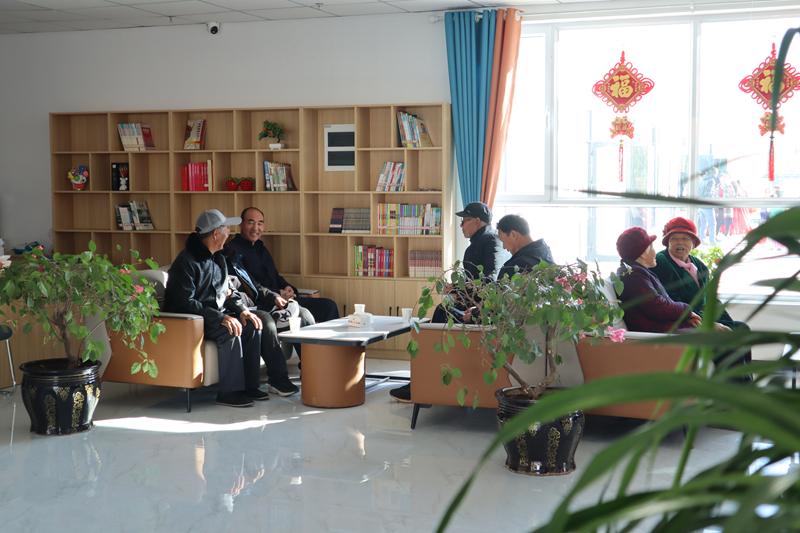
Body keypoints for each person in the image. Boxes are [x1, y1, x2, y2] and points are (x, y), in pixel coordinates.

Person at [389, 201, 505, 402]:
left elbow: (490, 280)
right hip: (470, 303)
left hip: (479, 310)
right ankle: (423, 379)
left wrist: (459, 289)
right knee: (438, 317)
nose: (461, 225)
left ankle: (423, 382)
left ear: (477, 221)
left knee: (438, 322)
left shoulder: (491, 242)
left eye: (464, 221)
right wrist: (458, 289)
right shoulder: (481, 242)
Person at [164, 209, 268, 408]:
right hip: (191, 320)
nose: (230, 232)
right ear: (215, 233)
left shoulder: (219, 258)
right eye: (226, 228)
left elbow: (227, 291)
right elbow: (184, 302)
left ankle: (250, 386)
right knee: (230, 330)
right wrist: (220, 317)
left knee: (252, 325)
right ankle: (229, 392)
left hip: (212, 315)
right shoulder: (186, 262)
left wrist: (242, 310)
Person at [650, 216, 752, 372]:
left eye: (685, 238)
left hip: (706, 318)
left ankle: (745, 380)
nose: (679, 243)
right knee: (725, 338)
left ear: (693, 242)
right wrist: (708, 324)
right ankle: (733, 383)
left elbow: (711, 299)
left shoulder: (699, 265)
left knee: (741, 329)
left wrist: (726, 323)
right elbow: (672, 302)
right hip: (687, 323)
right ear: (667, 242)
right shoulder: (662, 262)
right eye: (674, 239)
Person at [225, 207, 339, 324]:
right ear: (241, 224)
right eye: (251, 222)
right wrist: (277, 293)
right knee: (305, 315)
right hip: (264, 302)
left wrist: (287, 287)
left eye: (260, 223)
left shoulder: (260, 247)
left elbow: (274, 275)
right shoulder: (232, 251)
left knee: (329, 306)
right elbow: (249, 286)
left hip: (282, 298)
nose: (256, 228)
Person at [615, 226, 702, 333]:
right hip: (657, 334)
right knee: (716, 332)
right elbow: (657, 307)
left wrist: (686, 318)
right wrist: (687, 311)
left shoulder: (637, 272)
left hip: (664, 328)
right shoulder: (633, 275)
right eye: (651, 247)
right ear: (643, 253)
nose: (655, 252)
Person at [495, 214, 554, 280]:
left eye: (503, 241)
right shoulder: (545, 253)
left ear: (513, 235)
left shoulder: (516, 266)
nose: (504, 247)